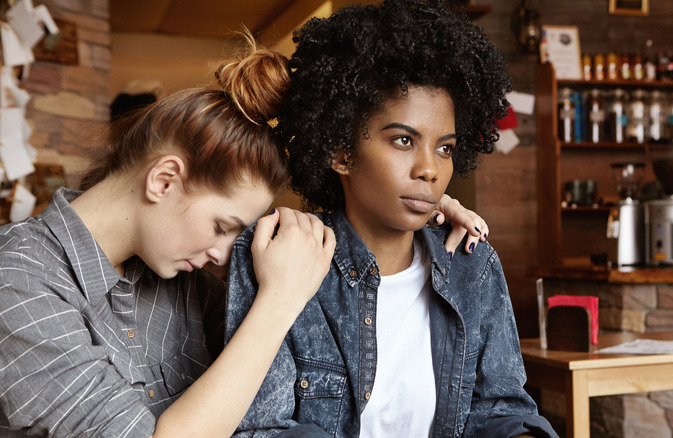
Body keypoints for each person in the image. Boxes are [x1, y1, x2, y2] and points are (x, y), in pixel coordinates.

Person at [0, 32, 486, 437]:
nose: (220, 252)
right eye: (221, 226)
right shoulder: (16, 278)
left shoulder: (174, 267)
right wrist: (279, 302)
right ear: (163, 180)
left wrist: (418, 208)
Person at [224, 1, 558, 437]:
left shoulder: (473, 265)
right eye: (403, 140)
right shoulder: (277, 258)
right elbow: (263, 429)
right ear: (339, 152)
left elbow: (501, 411)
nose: (430, 170)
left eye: (445, 148)